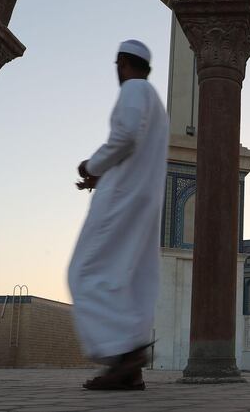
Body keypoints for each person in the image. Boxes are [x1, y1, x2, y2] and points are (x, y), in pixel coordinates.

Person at [68, 40, 169, 390]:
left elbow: (124, 137)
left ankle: (124, 353)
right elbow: (135, 147)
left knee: (85, 270)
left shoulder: (134, 90)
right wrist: (104, 173)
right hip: (144, 199)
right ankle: (130, 367)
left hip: (122, 200)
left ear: (123, 63)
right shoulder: (155, 100)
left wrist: (91, 165)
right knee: (132, 278)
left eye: (117, 64)